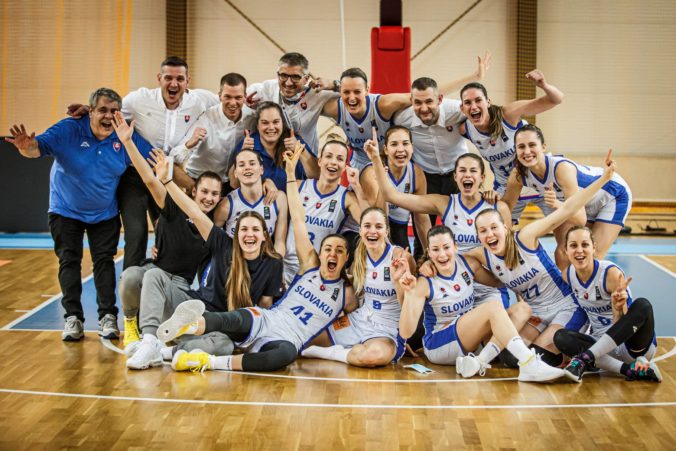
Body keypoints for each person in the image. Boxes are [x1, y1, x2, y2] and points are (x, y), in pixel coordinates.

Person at [156, 142, 358, 373]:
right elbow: (298, 218)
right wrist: (290, 173)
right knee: (236, 319)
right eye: (328, 248)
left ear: (347, 258)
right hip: (266, 319)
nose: (332, 254)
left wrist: (327, 344)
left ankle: (209, 361)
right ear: (319, 252)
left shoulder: (346, 293)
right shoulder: (310, 265)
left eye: (339, 251)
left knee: (286, 355)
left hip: (288, 338)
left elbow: (352, 322)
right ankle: (190, 325)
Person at [5, 87, 153, 341]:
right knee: (69, 261)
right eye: (103, 110)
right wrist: (25, 147)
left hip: (104, 212)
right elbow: (36, 148)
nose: (109, 116)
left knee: (104, 262)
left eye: (114, 111)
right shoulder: (69, 129)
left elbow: (154, 159)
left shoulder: (124, 134)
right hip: (65, 209)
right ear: (90, 112)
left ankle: (108, 316)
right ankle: (72, 318)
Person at [126, 150, 284, 369]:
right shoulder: (223, 244)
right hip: (194, 308)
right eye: (244, 229)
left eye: (255, 230)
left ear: (265, 235)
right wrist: (168, 181)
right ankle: (149, 341)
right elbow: (194, 212)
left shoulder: (273, 264)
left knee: (224, 345)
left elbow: (265, 306)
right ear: (236, 234)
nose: (249, 235)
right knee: (154, 275)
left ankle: (165, 351)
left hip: (219, 325)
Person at [465, 150, 618, 366]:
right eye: (483, 231)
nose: (489, 234)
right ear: (478, 236)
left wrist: (604, 178)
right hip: (536, 312)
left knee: (541, 357)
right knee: (510, 357)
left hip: (565, 306)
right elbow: (449, 254)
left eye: (494, 228)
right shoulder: (482, 254)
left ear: (505, 228)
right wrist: (427, 266)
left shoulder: (525, 237)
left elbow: (568, 208)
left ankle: (586, 346)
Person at [68, 57, 219, 269]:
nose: (173, 83)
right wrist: (88, 109)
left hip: (166, 176)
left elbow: (227, 100)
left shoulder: (200, 100)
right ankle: (131, 283)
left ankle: (164, 280)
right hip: (135, 176)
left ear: (188, 81)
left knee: (170, 232)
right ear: (159, 79)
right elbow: (110, 111)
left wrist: (249, 102)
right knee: (136, 232)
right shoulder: (138, 100)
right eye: (168, 78)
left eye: (179, 79)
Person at [112, 112, 222, 351]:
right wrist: (128, 143)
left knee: (176, 331)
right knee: (131, 276)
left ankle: (158, 337)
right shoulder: (174, 206)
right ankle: (131, 325)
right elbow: (149, 179)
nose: (209, 197)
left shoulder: (213, 228)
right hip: (155, 270)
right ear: (193, 192)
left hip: (180, 286)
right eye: (204, 191)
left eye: (215, 194)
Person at [398, 225, 564, 382]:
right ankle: (529, 363)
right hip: (439, 344)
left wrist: (532, 274)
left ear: (455, 247)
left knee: (523, 309)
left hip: (468, 338)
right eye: (435, 249)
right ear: (429, 252)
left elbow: (500, 281)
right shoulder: (424, 283)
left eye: (446, 247)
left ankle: (479, 361)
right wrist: (410, 293)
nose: (442, 254)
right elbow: (406, 332)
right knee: (493, 307)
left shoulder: (467, 264)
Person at [366, 140, 511, 307]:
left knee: (496, 316)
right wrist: (376, 158)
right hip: (452, 284)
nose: (467, 175)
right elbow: (392, 196)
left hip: (489, 287)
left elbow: (511, 255)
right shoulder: (444, 203)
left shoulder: (498, 207)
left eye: (473, 170)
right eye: (462, 170)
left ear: (482, 177)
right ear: (455, 177)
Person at [502, 124, 632, 269]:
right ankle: (566, 284)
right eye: (521, 146)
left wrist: (556, 204)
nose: (527, 151)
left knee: (591, 258)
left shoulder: (561, 168)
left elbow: (580, 218)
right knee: (563, 252)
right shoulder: (518, 175)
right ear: (515, 149)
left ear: (543, 147)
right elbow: (505, 207)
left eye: (532, 145)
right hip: (579, 205)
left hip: (612, 195)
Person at [301, 207, 415, 366]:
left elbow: (409, 308)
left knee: (371, 356)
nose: (372, 231)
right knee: (305, 339)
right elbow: (353, 291)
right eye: (367, 226)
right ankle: (350, 350)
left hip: (387, 330)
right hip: (359, 320)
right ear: (360, 230)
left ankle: (327, 353)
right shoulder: (360, 256)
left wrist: (397, 283)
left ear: (387, 231)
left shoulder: (400, 257)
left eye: (378, 226)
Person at [554, 226, 661, 382]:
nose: (579, 250)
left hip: (631, 346)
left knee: (643, 305)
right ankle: (629, 371)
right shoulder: (568, 275)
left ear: (593, 247)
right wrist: (567, 346)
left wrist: (617, 308)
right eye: (573, 245)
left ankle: (585, 358)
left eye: (585, 244)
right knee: (560, 336)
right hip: (601, 350)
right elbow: (578, 312)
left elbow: (628, 324)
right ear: (566, 250)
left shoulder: (610, 274)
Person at [458, 70, 564, 223]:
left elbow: (557, 99)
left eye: (478, 100)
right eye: (468, 102)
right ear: (462, 108)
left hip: (537, 179)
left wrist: (544, 85)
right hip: (507, 186)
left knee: (563, 228)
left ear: (488, 102)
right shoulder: (465, 130)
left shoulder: (508, 114)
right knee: (494, 228)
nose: (473, 106)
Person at [282, 139, 365, 284]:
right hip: (284, 269)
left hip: (315, 273)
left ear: (345, 166)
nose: (333, 162)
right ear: (319, 161)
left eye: (340, 159)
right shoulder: (298, 186)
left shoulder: (347, 197)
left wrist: (357, 186)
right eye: (329, 156)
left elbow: (370, 221)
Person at [170, 72, 256, 193]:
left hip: (233, 183)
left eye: (238, 97)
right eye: (227, 97)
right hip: (199, 180)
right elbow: (174, 158)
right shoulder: (205, 119)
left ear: (245, 97)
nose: (233, 103)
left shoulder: (252, 118)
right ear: (220, 96)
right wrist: (189, 144)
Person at [246, 52, 339, 156]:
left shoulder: (317, 95)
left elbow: (351, 97)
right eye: (283, 75)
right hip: (271, 160)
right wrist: (246, 103)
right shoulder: (265, 89)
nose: (288, 83)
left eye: (295, 77)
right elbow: (238, 96)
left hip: (305, 160)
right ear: (278, 74)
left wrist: (334, 85)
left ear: (306, 79)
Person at [359, 126, 431, 251]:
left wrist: (430, 252)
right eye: (394, 144)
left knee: (407, 257)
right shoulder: (370, 172)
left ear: (412, 147)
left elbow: (422, 220)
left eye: (405, 143)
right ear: (386, 149)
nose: (400, 149)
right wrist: (383, 180)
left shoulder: (417, 174)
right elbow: (378, 216)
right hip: (371, 229)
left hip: (399, 228)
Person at [229, 101, 319, 191]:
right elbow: (234, 184)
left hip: (296, 197)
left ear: (282, 123)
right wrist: (242, 153)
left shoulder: (294, 140)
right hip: (264, 199)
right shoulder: (248, 144)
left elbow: (317, 174)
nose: (271, 127)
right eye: (265, 123)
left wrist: (301, 151)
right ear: (257, 125)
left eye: (276, 122)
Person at [214, 149, 288, 256]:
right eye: (241, 165)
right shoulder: (226, 206)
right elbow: (215, 241)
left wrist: (275, 264)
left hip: (263, 261)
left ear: (261, 169)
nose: (247, 167)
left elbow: (280, 242)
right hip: (233, 260)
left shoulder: (279, 199)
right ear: (235, 173)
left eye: (252, 163)